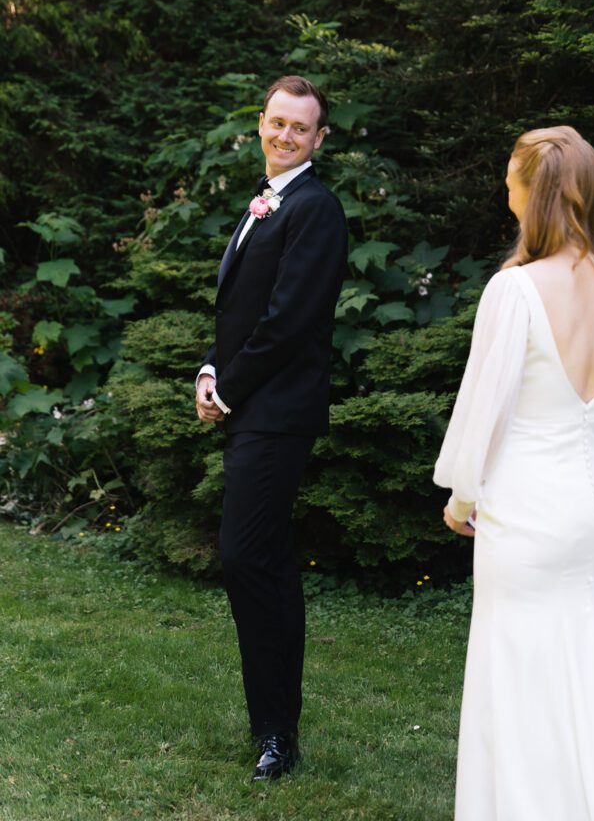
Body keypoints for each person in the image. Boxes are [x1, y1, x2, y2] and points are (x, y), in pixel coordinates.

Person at [434, 126, 594, 820]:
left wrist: (462, 499)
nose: (504, 192)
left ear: (533, 195)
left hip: (527, 509)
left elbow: (485, 409)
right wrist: (585, 474)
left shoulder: (514, 290)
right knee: (588, 663)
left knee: (517, 682)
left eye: (511, 181)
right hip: (593, 500)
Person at [195, 75, 347, 780]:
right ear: (260, 122)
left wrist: (228, 391)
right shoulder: (266, 201)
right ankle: (275, 727)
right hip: (253, 406)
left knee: (246, 557)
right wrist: (209, 368)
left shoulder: (315, 209)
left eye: (300, 127)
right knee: (265, 561)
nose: (285, 135)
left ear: (319, 138)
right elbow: (241, 309)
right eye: (277, 122)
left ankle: (277, 732)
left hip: (278, 413)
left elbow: (288, 322)